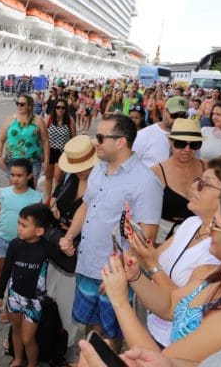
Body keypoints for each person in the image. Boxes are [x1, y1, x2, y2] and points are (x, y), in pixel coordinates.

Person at [101, 170, 221, 362]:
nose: (208, 230)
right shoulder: (219, 272)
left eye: (216, 225)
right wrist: (134, 276)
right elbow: (170, 306)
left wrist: (119, 300)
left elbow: (160, 362)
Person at [60, 115, 163, 352]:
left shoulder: (145, 182)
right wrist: (69, 236)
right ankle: (90, 358)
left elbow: (147, 236)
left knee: (111, 333)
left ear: (121, 142)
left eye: (100, 137)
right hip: (88, 264)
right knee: (91, 325)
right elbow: (87, 205)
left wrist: (121, 272)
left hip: (114, 272)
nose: (95, 142)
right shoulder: (98, 168)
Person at [138, 157, 221, 347]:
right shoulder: (191, 223)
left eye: (204, 184)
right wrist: (134, 248)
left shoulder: (219, 251)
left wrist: (148, 267)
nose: (194, 187)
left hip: (173, 342)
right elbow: (152, 258)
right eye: (198, 180)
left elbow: (178, 305)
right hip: (154, 325)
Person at [0, 204, 76, 367]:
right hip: (14, 297)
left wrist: (70, 252)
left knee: (27, 338)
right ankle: (18, 359)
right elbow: (6, 270)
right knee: (16, 332)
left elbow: (69, 267)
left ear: (39, 230)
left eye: (24, 225)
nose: (19, 228)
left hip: (34, 302)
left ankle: (32, 364)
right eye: (18, 223)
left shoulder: (46, 247)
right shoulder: (14, 245)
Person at [48, 135, 99, 346]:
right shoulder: (71, 178)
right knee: (51, 293)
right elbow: (55, 196)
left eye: (83, 166)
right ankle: (49, 335)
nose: (80, 171)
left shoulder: (100, 184)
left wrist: (74, 230)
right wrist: (53, 206)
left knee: (70, 299)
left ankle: (66, 342)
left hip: (79, 250)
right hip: (58, 245)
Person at [0, 159, 43, 321]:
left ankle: (10, 307)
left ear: (29, 176)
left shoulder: (36, 198)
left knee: (15, 277)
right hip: (2, 241)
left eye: (19, 175)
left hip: (21, 245)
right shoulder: (5, 193)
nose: (15, 179)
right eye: (12, 175)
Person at [151, 118, 206, 242]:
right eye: (181, 143)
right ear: (170, 141)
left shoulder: (207, 169)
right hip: (163, 236)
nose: (187, 149)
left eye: (194, 144)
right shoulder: (156, 172)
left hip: (199, 235)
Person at [0, 94, 50, 183]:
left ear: (29, 106)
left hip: (32, 162)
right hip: (12, 161)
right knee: (14, 191)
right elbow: (1, 139)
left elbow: (45, 141)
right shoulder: (10, 119)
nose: (19, 106)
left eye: (22, 104)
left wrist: (47, 160)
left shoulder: (38, 120)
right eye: (17, 103)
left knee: (31, 191)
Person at [133, 96, 189, 168]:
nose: (178, 120)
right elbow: (131, 165)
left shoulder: (191, 138)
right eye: (174, 115)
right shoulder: (143, 135)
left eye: (183, 116)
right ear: (164, 112)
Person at [44, 98, 76, 204]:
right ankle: (47, 200)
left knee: (58, 178)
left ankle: (55, 200)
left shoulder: (70, 120)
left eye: (63, 108)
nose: (60, 110)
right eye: (58, 107)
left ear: (66, 109)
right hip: (50, 152)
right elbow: (42, 137)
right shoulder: (49, 119)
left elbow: (74, 139)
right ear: (55, 108)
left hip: (62, 153)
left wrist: (73, 154)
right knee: (48, 177)